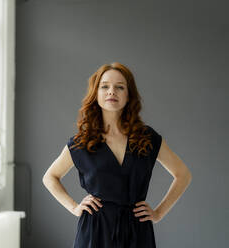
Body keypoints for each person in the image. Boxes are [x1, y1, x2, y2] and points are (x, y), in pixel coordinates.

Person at [42, 62, 192, 248]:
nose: (111, 91)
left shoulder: (147, 138)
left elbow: (183, 174)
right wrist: (74, 207)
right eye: (105, 86)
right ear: (96, 94)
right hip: (95, 232)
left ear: (129, 95)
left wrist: (159, 213)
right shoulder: (82, 142)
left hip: (137, 231)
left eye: (120, 87)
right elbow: (50, 177)